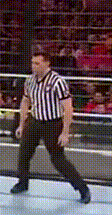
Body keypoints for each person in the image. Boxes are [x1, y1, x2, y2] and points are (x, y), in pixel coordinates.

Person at [12, 52, 91, 203]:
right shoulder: (30, 80)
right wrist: (21, 125)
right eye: (33, 63)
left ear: (47, 63)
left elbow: (68, 108)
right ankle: (22, 183)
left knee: (58, 159)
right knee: (24, 153)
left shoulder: (57, 81)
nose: (34, 66)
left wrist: (65, 132)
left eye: (37, 63)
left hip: (53, 124)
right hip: (35, 121)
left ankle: (83, 188)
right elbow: (25, 102)